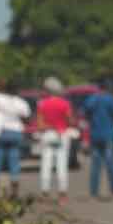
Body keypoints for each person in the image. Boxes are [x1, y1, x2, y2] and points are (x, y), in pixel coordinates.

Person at [0, 82, 31, 199]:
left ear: (5, 90)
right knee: (14, 162)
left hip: (1, 132)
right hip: (15, 133)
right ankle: (14, 193)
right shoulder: (21, 103)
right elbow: (26, 117)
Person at [83, 78, 113, 200]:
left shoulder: (92, 98)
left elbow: (86, 113)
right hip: (108, 135)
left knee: (95, 165)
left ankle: (94, 191)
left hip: (95, 135)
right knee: (110, 164)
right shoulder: (111, 99)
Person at [36, 76, 73, 204]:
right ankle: (62, 194)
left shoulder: (42, 104)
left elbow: (40, 125)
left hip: (47, 135)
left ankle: (45, 192)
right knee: (61, 165)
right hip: (61, 134)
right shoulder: (65, 103)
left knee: (46, 164)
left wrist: (50, 125)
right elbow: (70, 121)